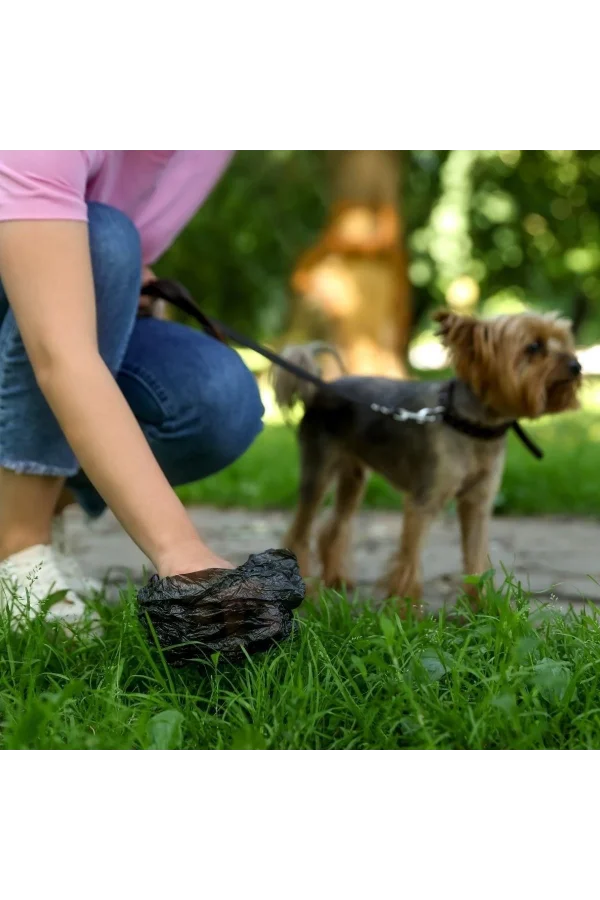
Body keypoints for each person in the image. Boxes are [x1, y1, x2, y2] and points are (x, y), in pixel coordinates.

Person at [0, 148, 264, 630]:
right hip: (43, 330)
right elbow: (60, 353)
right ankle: (16, 549)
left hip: (48, 301)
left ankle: (36, 509)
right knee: (105, 241)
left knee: (215, 399)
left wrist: (124, 284)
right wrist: (180, 548)